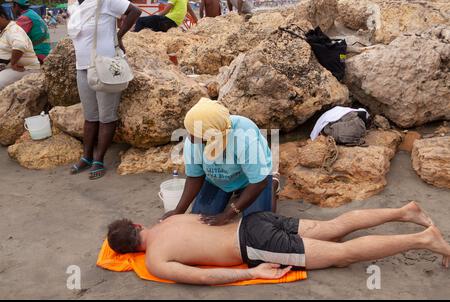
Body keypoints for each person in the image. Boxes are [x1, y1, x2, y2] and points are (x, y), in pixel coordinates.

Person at [106, 202, 450, 285]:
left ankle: (425, 239)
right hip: (256, 219)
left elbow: (206, 278)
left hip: (255, 242)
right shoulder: (170, 219)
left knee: (342, 255)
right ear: (138, 225)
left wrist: (252, 274)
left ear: (128, 254)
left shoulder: (154, 261)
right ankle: (404, 212)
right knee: (335, 226)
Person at [161, 98, 279, 226]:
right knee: (200, 220)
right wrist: (178, 211)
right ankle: (236, 194)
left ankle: (272, 184)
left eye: (194, 133)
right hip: (218, 179)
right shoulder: (193, 142)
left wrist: (227, 215)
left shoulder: (245, 137)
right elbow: (195, 177)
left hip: (252, 180)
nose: (190, 137)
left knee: (260, 226)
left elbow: (259, 182)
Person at [67, 0, 141, 179]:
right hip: (82, 67)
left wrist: (119, 36)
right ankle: (86, 157)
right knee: (90, 116)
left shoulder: (106, 1)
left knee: (106, 116)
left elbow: (134, 11)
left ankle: (99, 159)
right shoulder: (74, 5)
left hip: (104, 66)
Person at [0, 6, 40, 91]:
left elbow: (20, 45)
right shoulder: (4, 31)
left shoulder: (14, 29)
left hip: (26, 69)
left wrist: (13, 63)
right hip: (9, 68)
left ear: (2, 17)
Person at [12, 0, 51, 64]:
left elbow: (13, 38)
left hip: (38, 55)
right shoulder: (32, 13)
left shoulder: (24, 18)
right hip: (45, 52)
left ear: (16, 6)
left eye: (12, 6)